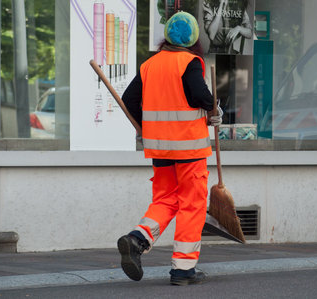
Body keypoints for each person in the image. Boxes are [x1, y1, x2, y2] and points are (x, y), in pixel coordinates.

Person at [118, 11, 222, 286]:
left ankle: (137, 239)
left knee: (166, 200)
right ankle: (183, 269)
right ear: (193, 38)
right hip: (189, 149)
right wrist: (214, 108)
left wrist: (144, 127)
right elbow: (198, 95)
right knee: (192, 204)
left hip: (159, 150)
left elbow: (129, 99)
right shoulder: (189, 62)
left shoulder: (150, 65)